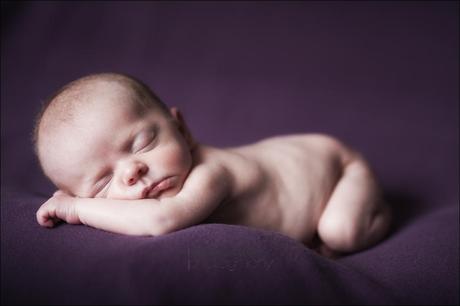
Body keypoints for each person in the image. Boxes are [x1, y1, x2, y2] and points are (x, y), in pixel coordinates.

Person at [33, 72, 391, 257]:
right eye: (102, 182)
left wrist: (79, 207)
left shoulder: (212, 174)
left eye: (142, 143)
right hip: (295, 158)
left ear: (181, 128)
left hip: (336, 166)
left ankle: (382, 210)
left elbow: (161, 220)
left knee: (341, 231)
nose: (131, 172)